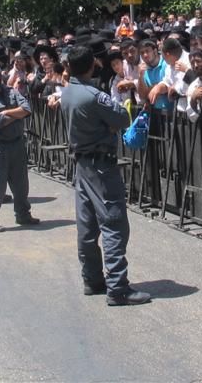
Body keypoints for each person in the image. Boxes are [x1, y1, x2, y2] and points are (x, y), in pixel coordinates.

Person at [60, 45, 151, 306]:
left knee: (87, 225)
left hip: (82, 165)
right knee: (113, 224)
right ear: (91, 65)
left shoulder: (67, 93)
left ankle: (92, 278)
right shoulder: (92, 95)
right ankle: (118, 287)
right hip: (101, 166)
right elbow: (122, 118)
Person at [0, 63, 39, 232]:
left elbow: (27, 108)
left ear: (0, 76)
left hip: (16, 145)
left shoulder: (11, 92)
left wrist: (6, 112)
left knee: (21, 186)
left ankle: (23, 215)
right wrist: (15, 114)